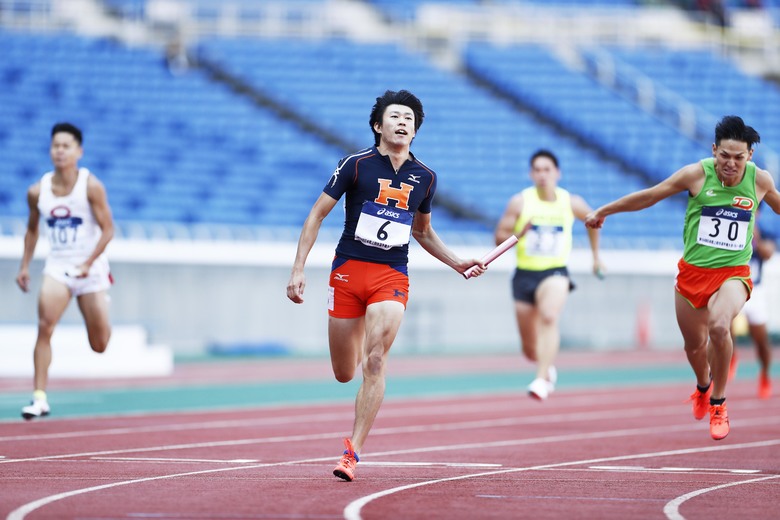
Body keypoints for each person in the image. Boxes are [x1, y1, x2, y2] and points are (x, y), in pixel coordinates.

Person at [286, 90, 486, 482]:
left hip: (391, 275)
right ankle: (359, 346)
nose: (402, 122)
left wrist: (457, 262)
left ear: (415, 131)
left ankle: (352, 452)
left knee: (375, 359)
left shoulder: (425, 177)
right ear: (379, 125)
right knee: (345, 372)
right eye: (394, 116)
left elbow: (423, 233)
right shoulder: (355, 165)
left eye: (409, 119)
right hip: (347, 271)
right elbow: (316, 215)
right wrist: (298, 269)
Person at [585, 115, 780, 440]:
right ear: (714, 150)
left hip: (733, 274)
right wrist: (605, 210)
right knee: (694, 346)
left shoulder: (759, 180)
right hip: (692, 275)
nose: (731, 164)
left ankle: (718, 402)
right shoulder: (696, 175)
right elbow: (651, 194)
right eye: (725, 156)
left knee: (720, 326)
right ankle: (702, 386)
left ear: (750, 156)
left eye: (739, 157)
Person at [16, 122, 115, 420]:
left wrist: (87, 263)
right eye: (55, 146)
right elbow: (32, 230)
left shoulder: (91, 186)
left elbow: (108, 229)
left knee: (99, 345)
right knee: (45, 326)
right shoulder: (37, 191)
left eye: (65, 146)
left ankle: (102, 305)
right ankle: (39, 397)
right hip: (58, 266)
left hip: (91, 268)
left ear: (79, 151)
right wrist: (24, 265)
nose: (59, 151)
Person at [494, 149, 603, 401]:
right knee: (530, 349)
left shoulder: (570, 201)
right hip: (524, 274)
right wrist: (520, 233)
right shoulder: (520, 202)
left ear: (557, 173)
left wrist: (596, 256)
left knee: (549, 316)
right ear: (531, 174)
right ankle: (545, 365)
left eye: (547, 169)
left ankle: (541, 379)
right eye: (538, 170)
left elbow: (595, 221)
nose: (543, 175)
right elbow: (499, 236)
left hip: (555, 271)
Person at [729, 205, 775, 399]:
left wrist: (754, 236)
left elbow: (768, 253)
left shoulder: (763, 230)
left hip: (755, 290)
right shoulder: (732, 224)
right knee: (722, 322)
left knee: (761, 341)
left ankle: (765, 374)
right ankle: (730, 355)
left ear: (758, 213)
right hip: (732, 286)